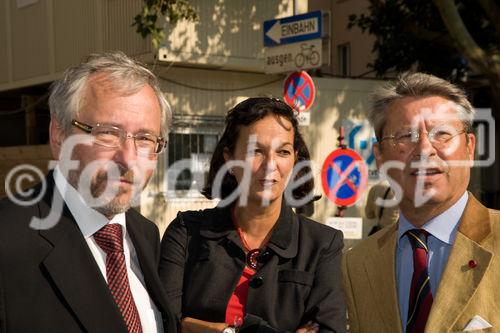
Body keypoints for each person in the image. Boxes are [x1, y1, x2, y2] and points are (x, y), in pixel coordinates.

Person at [0, 52, 177, 333]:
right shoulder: (7, 240)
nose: (128, 159)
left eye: (145, 138)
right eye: (107, 132)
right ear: (59, 135)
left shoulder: (146, 235)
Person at [159, 97, 346, 333]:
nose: (270, 165)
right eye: (255, 150)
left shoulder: (322, 245)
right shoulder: (186, 232)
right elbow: (164, 324)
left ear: (294, 160)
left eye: (283, 151)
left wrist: (196, 327)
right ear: (229, 158)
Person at [342, 73, 500, 332]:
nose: (425, 149)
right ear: (380, 157)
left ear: (470, 148)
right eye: (405, 136)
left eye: (442, 134)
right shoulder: (358, 264)